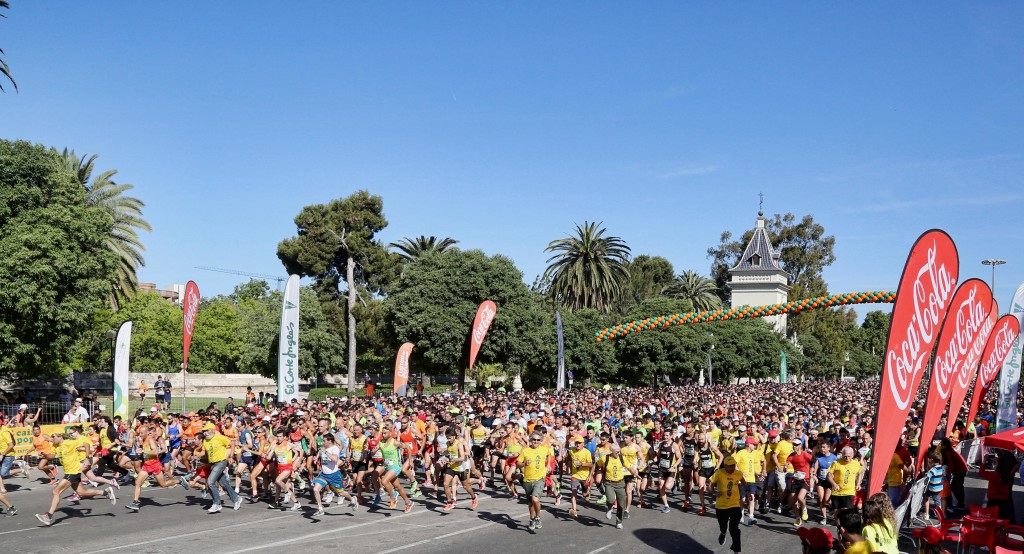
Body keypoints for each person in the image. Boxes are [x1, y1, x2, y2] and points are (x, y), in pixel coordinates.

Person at [34, 427, 115, 525]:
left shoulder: (70, 442)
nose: (52, 439)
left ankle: (48, 516)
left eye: (54, 436)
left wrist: (86, 458)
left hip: (72, 472)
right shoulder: (56, 446)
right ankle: (106, 493)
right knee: (82, 493)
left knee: (56, 492)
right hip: (70, 472)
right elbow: (52, 455)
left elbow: (86, 445)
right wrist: (45, 455)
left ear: (60, 437)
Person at [710, 455, 744, 554]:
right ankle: (723, 532)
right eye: (730, 466)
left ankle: (736, 551)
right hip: (721, 506)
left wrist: (747, 491)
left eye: (733, 465)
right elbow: (710, 485)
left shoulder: (738, 473)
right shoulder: (719, 473)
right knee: (723, 525)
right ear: (725, 466)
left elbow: (743, 481)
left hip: (734, 505)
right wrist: (714, 492)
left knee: (734, 529)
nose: (732, 467)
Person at [518, 433, 551, 530]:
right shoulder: (525, 451)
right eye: (534, 440)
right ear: (530, 440)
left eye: (538, 440)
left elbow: (549, 454)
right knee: (530, 502)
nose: (536, 442)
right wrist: (524, 464)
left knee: (535, 499)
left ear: (541, 441)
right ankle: (532, 518)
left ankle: (538, 517)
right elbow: (518, 463)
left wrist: (548, 465)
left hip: (539, 479)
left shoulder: (544, 449)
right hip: (528, 480)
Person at [979, 449, 1018, 521]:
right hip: (1004, 499)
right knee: (1003, 518)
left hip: (993, 500)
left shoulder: (994, 475)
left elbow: (981, 472)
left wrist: (984, 461)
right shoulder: (1008, 476)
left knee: (991, 519)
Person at [600, 443, 628, 530]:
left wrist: (634, 472)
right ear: (611, 451)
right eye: (617, 452)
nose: (619, 453)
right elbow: (596, 465)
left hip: (620, 483)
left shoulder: (621, 458)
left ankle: (619, 522)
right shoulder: (605, 458)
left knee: (622, 504)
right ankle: (609, 508)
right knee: (611, 499)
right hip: (609, 483)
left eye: (619, 451)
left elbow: (629, 467)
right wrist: (590, 476)